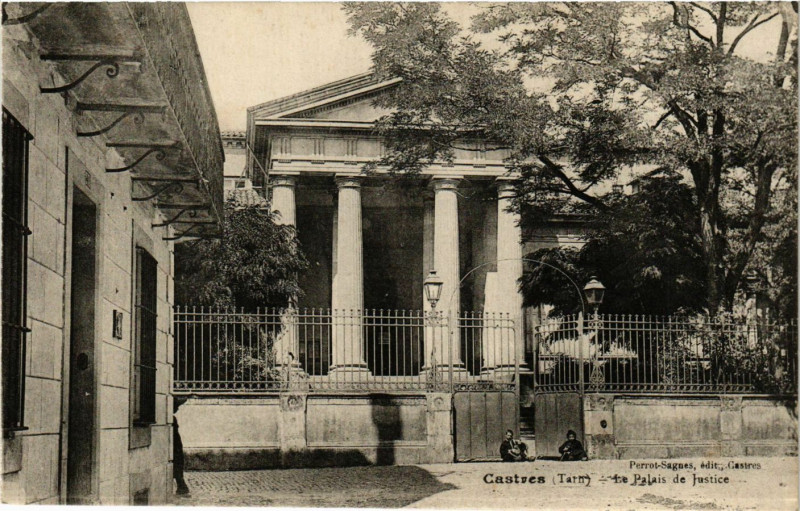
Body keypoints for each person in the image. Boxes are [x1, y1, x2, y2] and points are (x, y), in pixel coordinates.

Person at [173, 396, 191, 496]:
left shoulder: (172, 419)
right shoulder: (172, 419)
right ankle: (182, 487)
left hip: (176, 448)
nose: (178, 409)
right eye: (176, 406)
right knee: (177, 466)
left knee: (178, 466)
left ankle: (181, 486)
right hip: (175, 448)